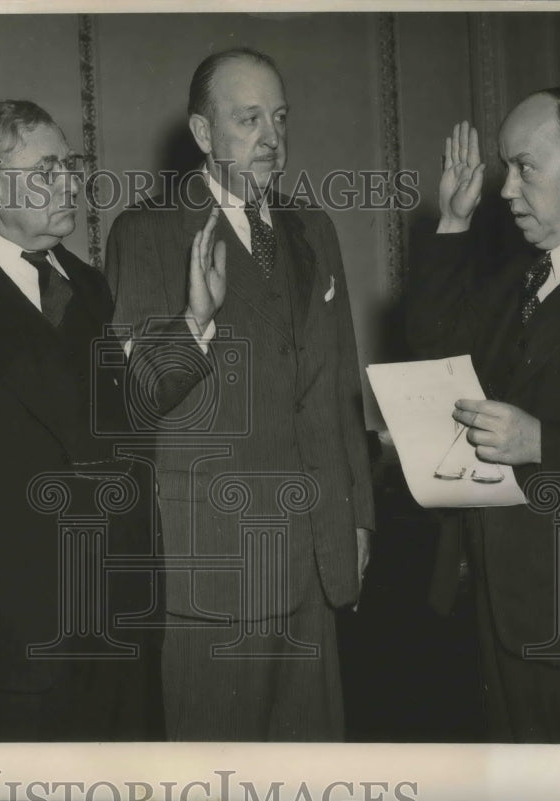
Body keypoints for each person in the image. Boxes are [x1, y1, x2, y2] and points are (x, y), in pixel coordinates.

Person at [0, 100, 201, 740]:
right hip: (17, 635)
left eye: (71, 165)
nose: (70, 184)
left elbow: (117, 421)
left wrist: (195, 323)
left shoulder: (86, 285)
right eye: (46, 171)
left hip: (116, 613)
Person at [105, 48, 374, 741]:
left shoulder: (314, 230)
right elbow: (133, 399)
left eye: (279, 118)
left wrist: (359, 516)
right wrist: (193, 323)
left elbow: (340, 387)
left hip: (317, 558)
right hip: (216, 570)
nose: (272, 138)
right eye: (248, 119)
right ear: (202, 134)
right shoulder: (149, 232)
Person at [406, 89, 560, 742]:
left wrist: (543, 441)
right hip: (492, 606)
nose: (506, 189)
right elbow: (434, 354)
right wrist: (454, 224)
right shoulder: (513, 280)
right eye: (503, 169)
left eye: (524, 167)